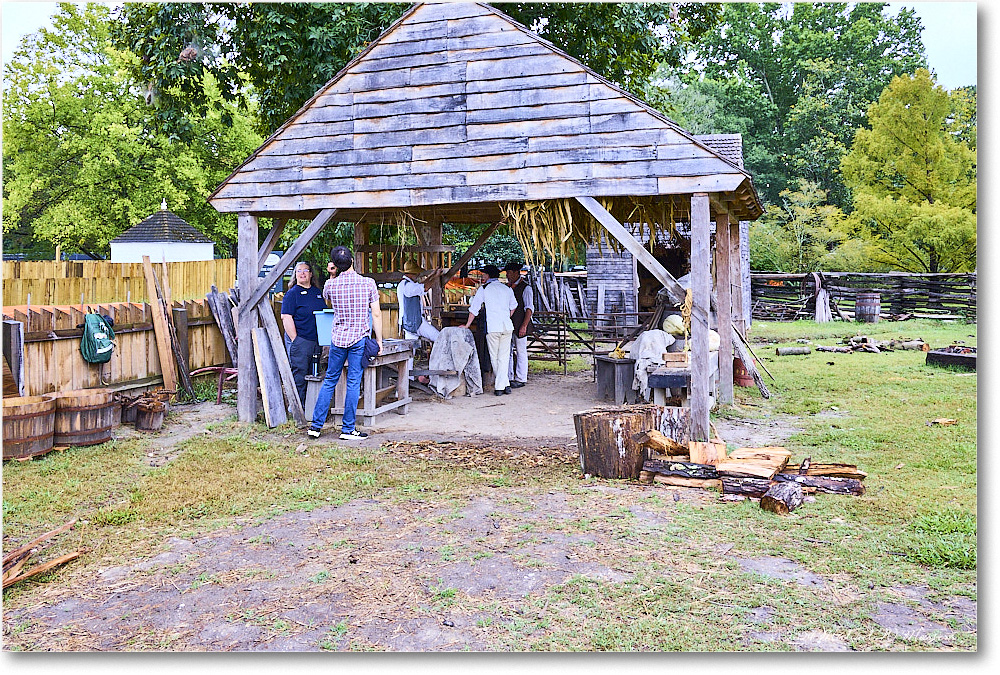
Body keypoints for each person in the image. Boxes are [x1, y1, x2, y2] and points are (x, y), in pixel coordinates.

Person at [308, 246, 382, 440]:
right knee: (353, 382)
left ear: (335, 265)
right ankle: (348, 429)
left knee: (330, 380)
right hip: (358, 338)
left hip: (338, 339)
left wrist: (332, 276)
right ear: (352, 261)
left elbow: (328, 303)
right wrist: (379, 340)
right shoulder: (368, 283)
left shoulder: (330, 285)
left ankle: (315, 427)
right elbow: (375, 313)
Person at [462, 264, 517, 396]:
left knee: (495, 357)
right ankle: (505, 385)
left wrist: (467, 325)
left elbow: (474, 309)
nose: (482, 277)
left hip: (493, 327)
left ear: (487, 275)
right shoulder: (506, 288)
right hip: (507, 326)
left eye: (483, 275)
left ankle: (499, 387)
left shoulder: (484, 289)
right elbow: (514, 306)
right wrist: (505, 316)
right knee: (503, 357)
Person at [280, 261, 326, 406]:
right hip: (301, 341)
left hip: (316, 342)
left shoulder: (317, 293)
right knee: (299, 377)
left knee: (315, 375)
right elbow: (286, 317)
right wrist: (295, 340)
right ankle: (297, 409)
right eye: (299, 271)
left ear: (311, 274)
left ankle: (310, 408)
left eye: (305, 270)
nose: (302, 273)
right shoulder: (292, 294)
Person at [504, 261, 534, 388]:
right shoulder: (508, 288)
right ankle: (509, 377)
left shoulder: (526, 288)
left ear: (517, 273)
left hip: (520, 323)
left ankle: (521, 378)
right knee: (508, 351)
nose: (508, 275)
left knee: (521, 351)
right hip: (509, 324)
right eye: (507, 273)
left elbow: (529, 309)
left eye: (510, 273)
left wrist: (524, 325)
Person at [398, 260, 443, 342]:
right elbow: (425, 288)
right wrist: (436, 277)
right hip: (415, 322)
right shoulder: (409, 286)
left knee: (410, 348)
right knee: (438, 337)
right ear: (412, 274)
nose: (418, 275)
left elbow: (421, 285)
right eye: (416, 273)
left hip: (407, 322)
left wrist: (432, 275)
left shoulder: (404, 284)